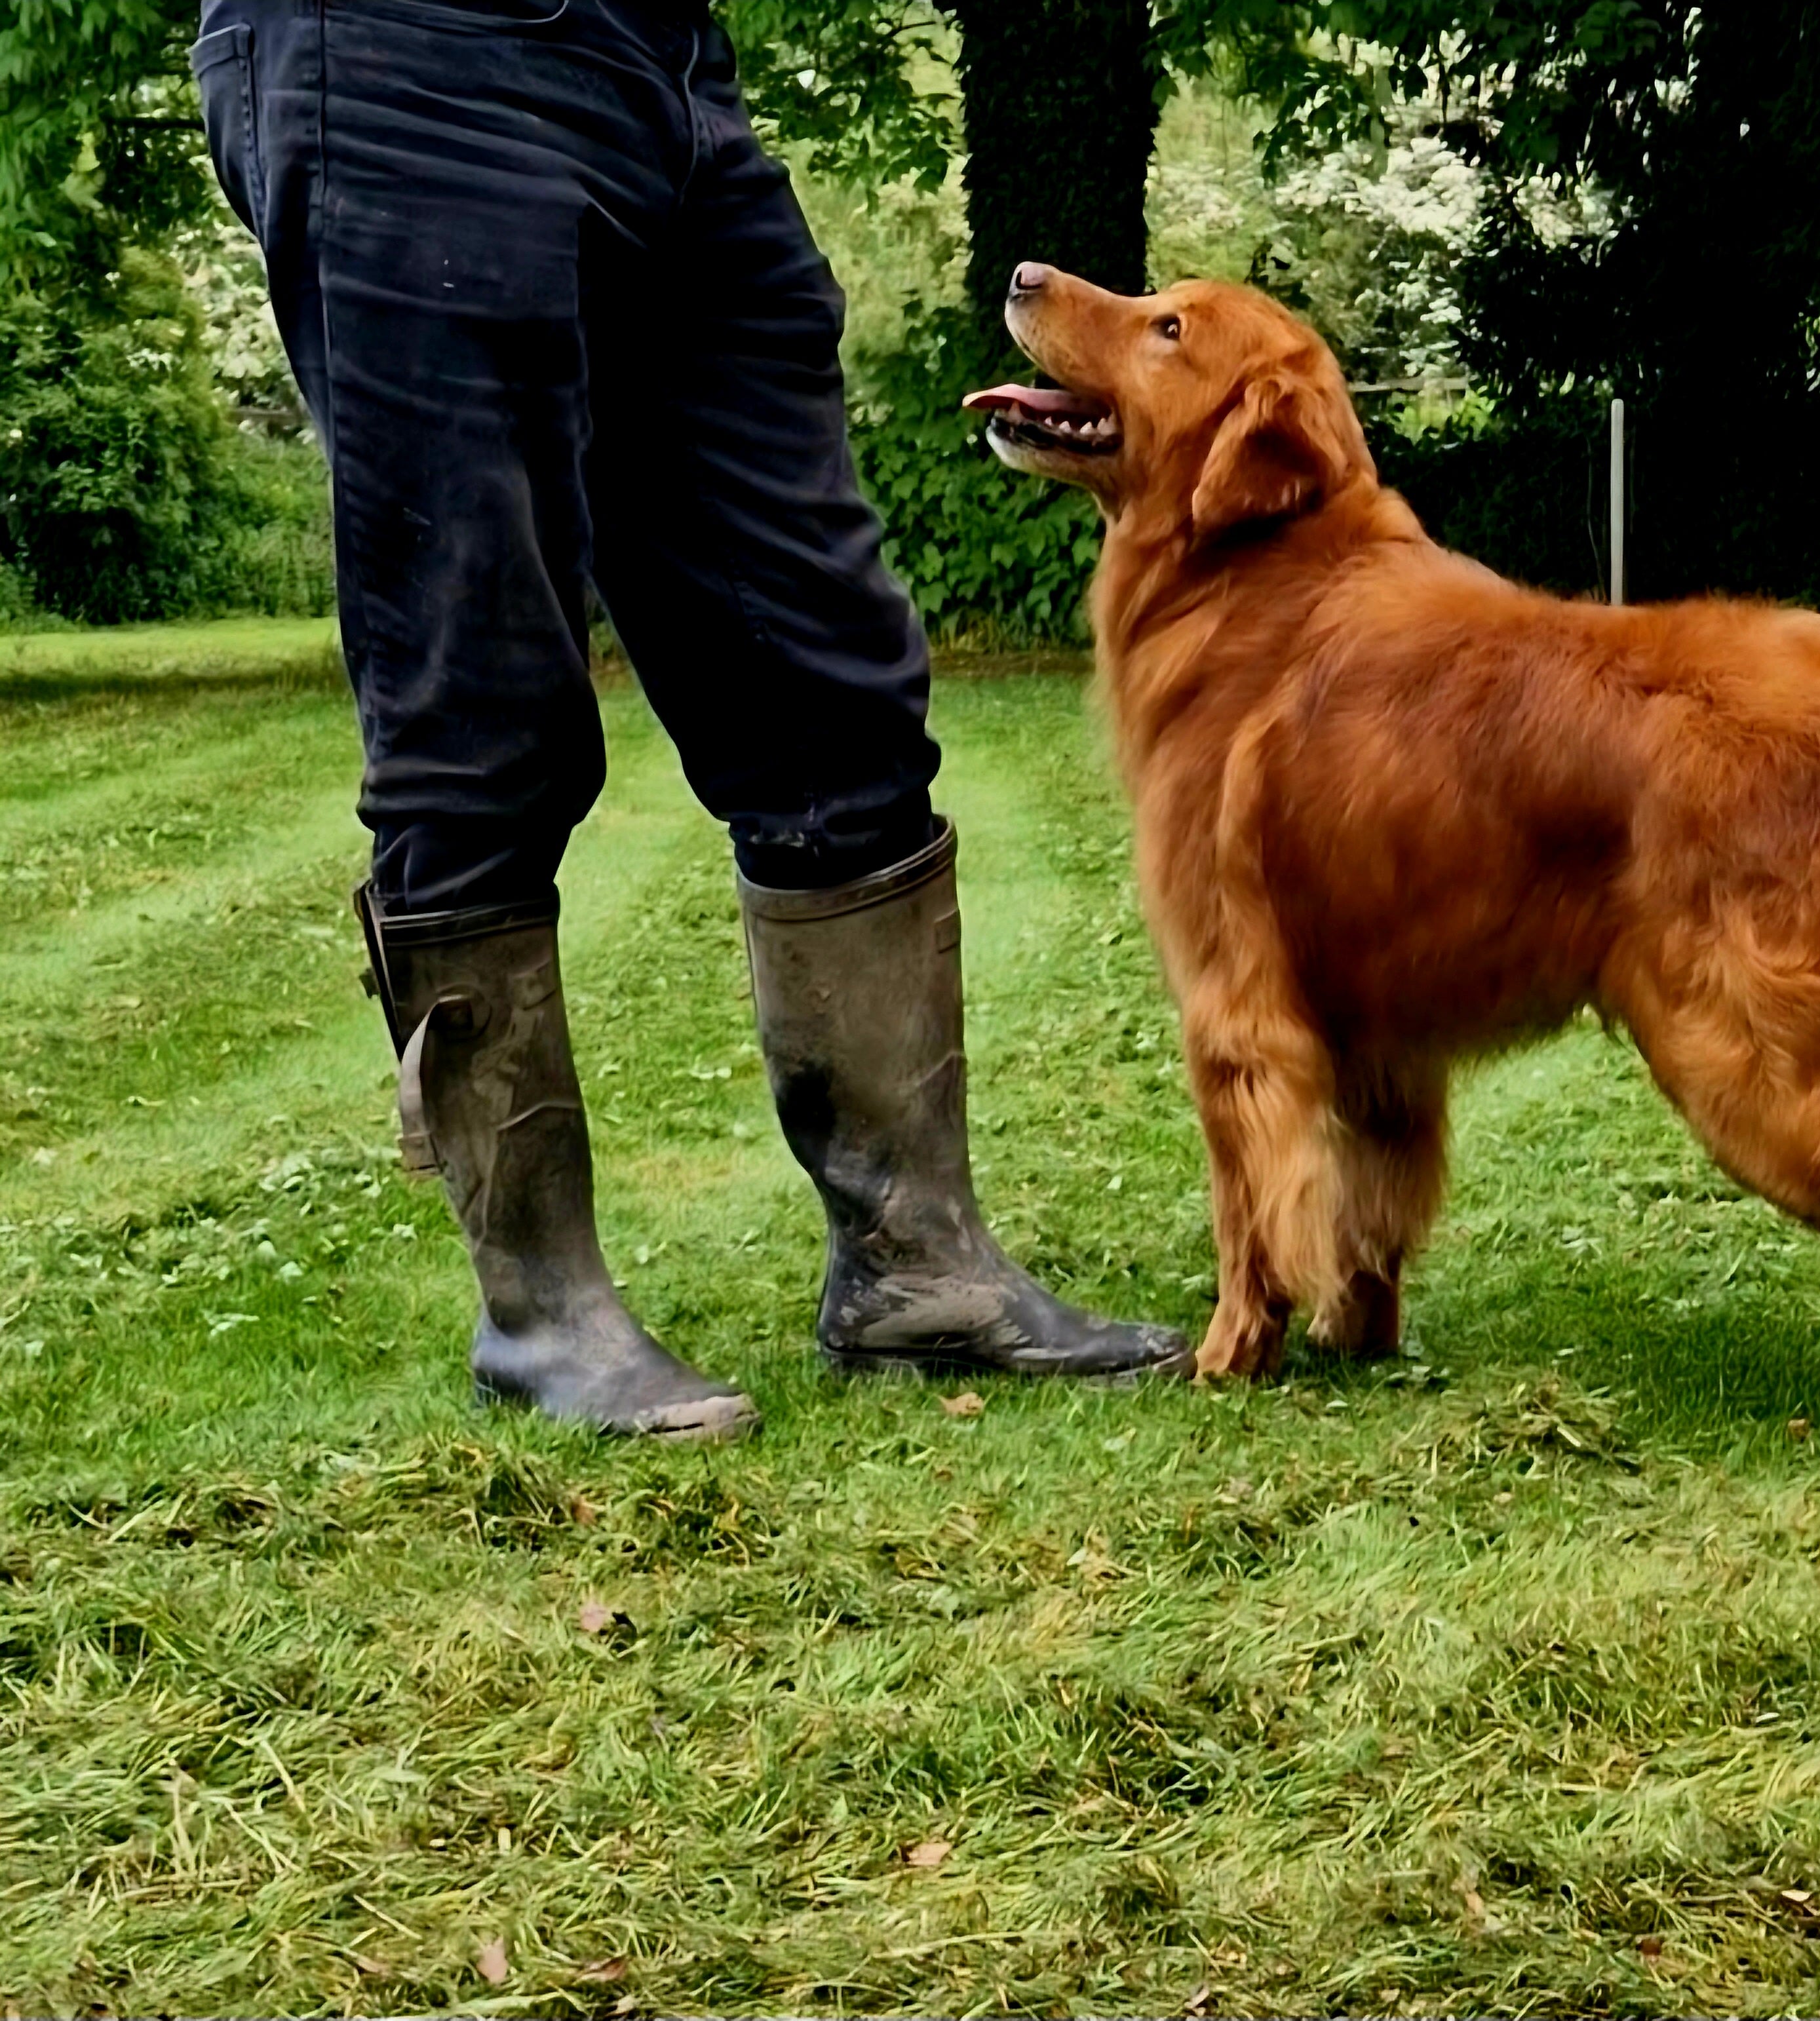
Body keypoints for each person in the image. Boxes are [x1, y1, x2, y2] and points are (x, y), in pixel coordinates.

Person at [189, 0, 1193, 1442]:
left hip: (657, 61)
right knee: (477, 692)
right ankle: (543, 1314)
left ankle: (915, 1270)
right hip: (403, 52)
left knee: (828, 676)